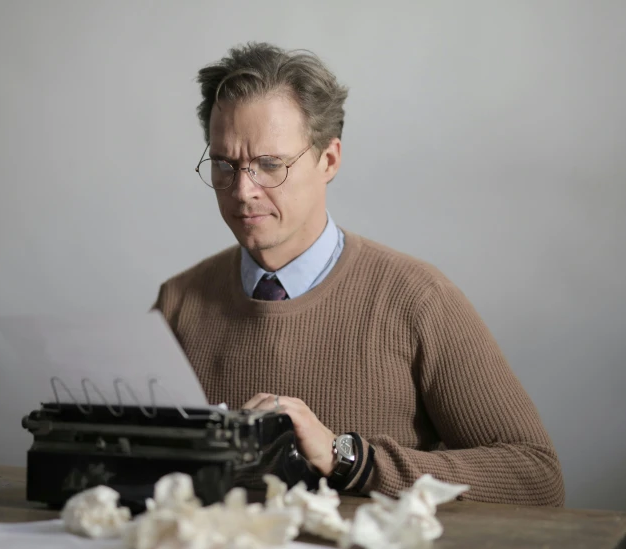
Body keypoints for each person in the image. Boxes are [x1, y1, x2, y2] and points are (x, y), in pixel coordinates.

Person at [153, 42, 565, 506]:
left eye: (270, 165)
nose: (243, 190)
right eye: (225, 165)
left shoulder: (419, 299)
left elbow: (536, 477)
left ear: (328, 160)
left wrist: (348, 458)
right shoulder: (178, 302)